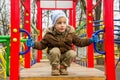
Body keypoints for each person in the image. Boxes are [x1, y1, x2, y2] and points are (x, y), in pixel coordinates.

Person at [26, 10, 97, 76]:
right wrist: (33, 44)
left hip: (65, 55)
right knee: (55, 50)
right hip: (54, 55)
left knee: (73, 53)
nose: (62, 25)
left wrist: (90, 40)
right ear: (54, 24)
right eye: (59, 23)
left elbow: (79, 42)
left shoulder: (70, 33)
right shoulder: (49, 35)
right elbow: (42, 44)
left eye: (64, 23)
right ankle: (55, 68)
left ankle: (63, 67)